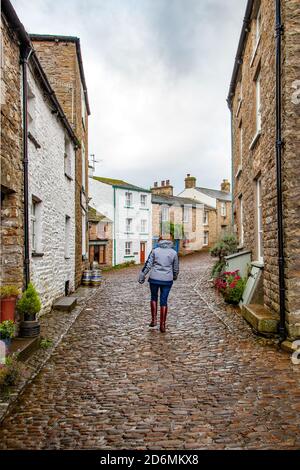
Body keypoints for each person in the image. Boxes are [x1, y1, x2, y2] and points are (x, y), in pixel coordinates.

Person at [138, 237, 179, 333]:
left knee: (153, 297)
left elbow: (148, 264)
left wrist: (142, 275)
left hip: (154, 279)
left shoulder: (155, 251)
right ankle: (162, 325)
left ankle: (154, 320)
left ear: (159, 242)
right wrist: (174, 276)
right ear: (170, 243)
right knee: (164, 301)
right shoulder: (173, 253)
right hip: (167, 280)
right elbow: (176, 268)